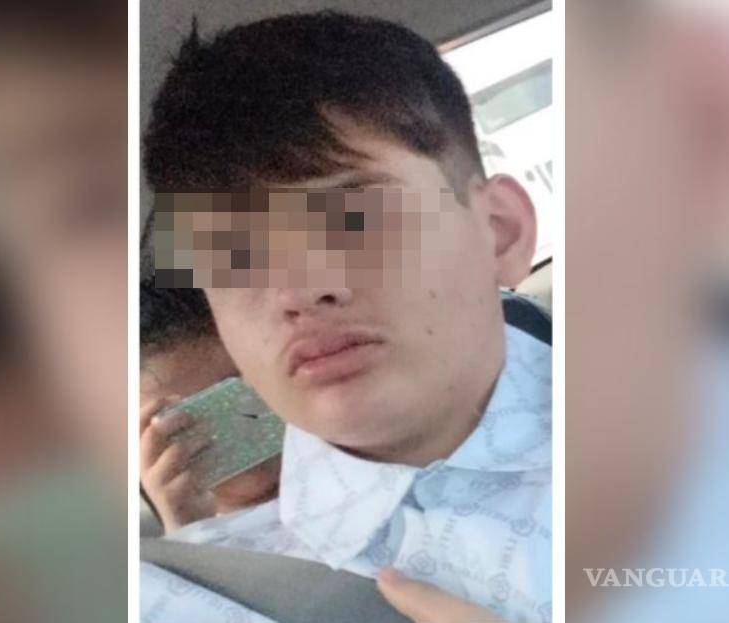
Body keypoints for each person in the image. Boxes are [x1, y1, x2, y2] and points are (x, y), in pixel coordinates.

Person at [141, 12, 550, 623]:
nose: (299, 291)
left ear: (500, 232)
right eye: (233, 254)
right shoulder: (191, 593)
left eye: (354, 220)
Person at [139, 278, 280, 532]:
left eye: (235, 392)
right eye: (178, 423)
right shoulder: (184, 541)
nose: (234, 426)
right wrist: (186, 529)